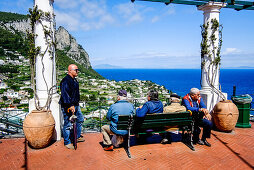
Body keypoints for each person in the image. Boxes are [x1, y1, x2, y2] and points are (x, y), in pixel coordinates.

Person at [59, 64, 85, 150]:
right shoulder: (66, 81)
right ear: (70, 70)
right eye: (76, 70)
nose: (77, 71)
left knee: (80, 119)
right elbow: (65, 94)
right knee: (67, 123)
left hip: (76, 105)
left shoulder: (74, 80)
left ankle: (76, 136)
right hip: (68, 106)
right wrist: (70, 105)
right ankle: (67, 142)